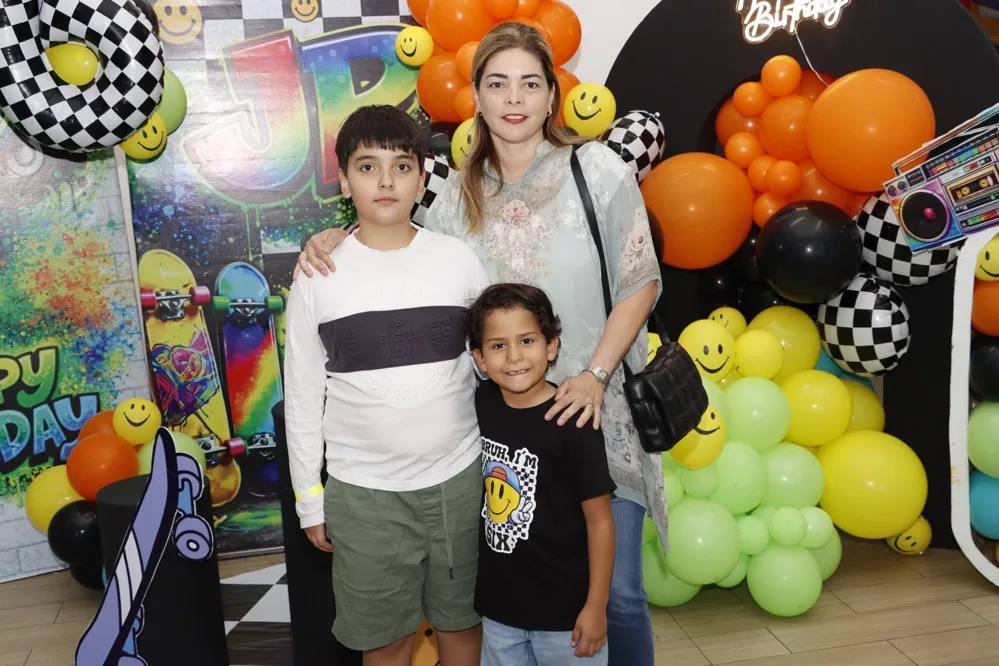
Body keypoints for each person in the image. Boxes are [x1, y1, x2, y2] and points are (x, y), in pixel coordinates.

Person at [296, 22, 667, 666]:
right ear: (476, 97)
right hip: (506, 437)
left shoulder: (597, 169)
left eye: (530, 83)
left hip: (593, 412)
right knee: (525, 592)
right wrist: (333, 238)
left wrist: (596, 375)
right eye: (497, 84)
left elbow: (642, 280)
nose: (513, 98)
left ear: (552, 96)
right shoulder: (456, 193)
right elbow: (395, 238)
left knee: (621, 594)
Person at [283, 104, 490, 666]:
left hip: (458, 481)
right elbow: (302, 397)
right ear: (345, 181)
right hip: (363, 494)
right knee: (386, 641)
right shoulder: (317, 277)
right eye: (368, 167)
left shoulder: (458, 261)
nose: (385, 181)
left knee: (462, 627)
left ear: (421, 179)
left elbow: (487, 366)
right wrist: (309, 500)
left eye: (401, 166)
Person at [466, 283, 615, 666]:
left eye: (527, 341)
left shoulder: (573, 418)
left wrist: (596, 606)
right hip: (500, 614)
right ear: (479, 358)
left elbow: (600, 521)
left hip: (568, 620)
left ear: (551, 346)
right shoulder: (482, 402)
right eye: (498, 346)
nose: (514, 356)